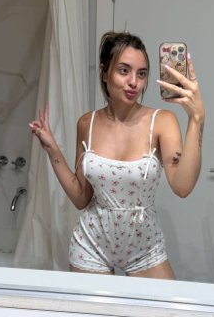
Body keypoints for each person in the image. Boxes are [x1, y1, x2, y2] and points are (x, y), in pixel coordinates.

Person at [29, 31, 205, 279]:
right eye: (124, 71)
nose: (134, 82)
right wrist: (52, 149)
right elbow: (81, 198)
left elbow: (183, 186)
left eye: (141, 74)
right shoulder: (87, 123)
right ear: (104, 72)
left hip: (145, 249)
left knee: (164, 305)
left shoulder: (162, 121)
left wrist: (196, 119)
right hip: (91, 246)